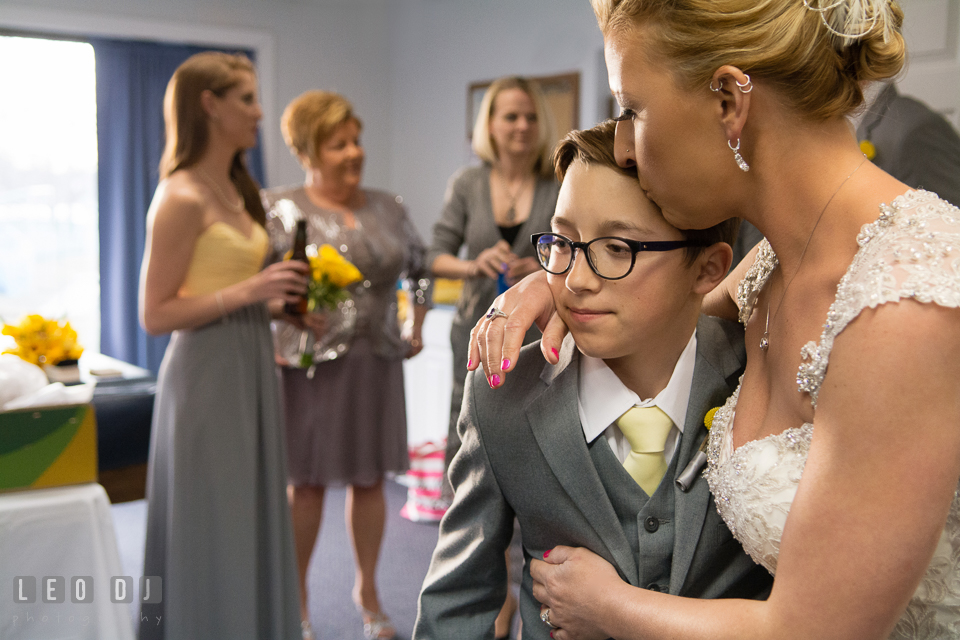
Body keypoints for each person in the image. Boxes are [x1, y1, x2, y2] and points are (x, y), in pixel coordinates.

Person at [469, 1, 960, 638]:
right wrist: (555, 280)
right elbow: (652, 309)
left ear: (730, 101)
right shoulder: (769, 268)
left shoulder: (903, 305)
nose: (623, 144)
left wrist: (606, 606)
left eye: (632, 109)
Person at [414, 120, 771, 640]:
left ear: (708, 269)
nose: (577, 280)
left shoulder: (760, 370)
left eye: (618, 248)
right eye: (563, 242)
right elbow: (458, 599)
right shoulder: (503, 399)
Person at [138, 52, 306, 640]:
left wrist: (275, 304)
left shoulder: (238, 190)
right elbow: (155, 314)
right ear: (209, 105)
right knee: (211, 516)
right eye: (247, 99)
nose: (260, 112)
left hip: (250, 363)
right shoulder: (180, 196)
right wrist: (252, 289)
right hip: (205, 375)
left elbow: (229, 295)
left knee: (248, 512)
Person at [262, 90, 432, 640]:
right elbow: (258, 283)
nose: (354, 153)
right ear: (309, 152)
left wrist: (418, 323)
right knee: (306, 484)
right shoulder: (279, 207)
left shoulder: (388, 205)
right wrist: (279, 321)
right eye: (339, 145)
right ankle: (299, 600)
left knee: (369, 480)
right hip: (309, 364)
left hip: (377, 361)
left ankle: (369, 592)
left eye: (356, 140)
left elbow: (421, 268)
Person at [428, 75, 560, 637]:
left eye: (530, 116)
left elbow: (574, 249)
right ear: (491, 125)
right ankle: (481, 584)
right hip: (477, 337)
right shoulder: (466, 184)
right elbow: (434, 254)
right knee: (473, 455)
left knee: (532, 457)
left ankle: (524, 585)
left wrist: (545, 269)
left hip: (542, 339)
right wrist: (471, 265)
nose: (522, 126)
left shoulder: (557, 184)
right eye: (510, 117)